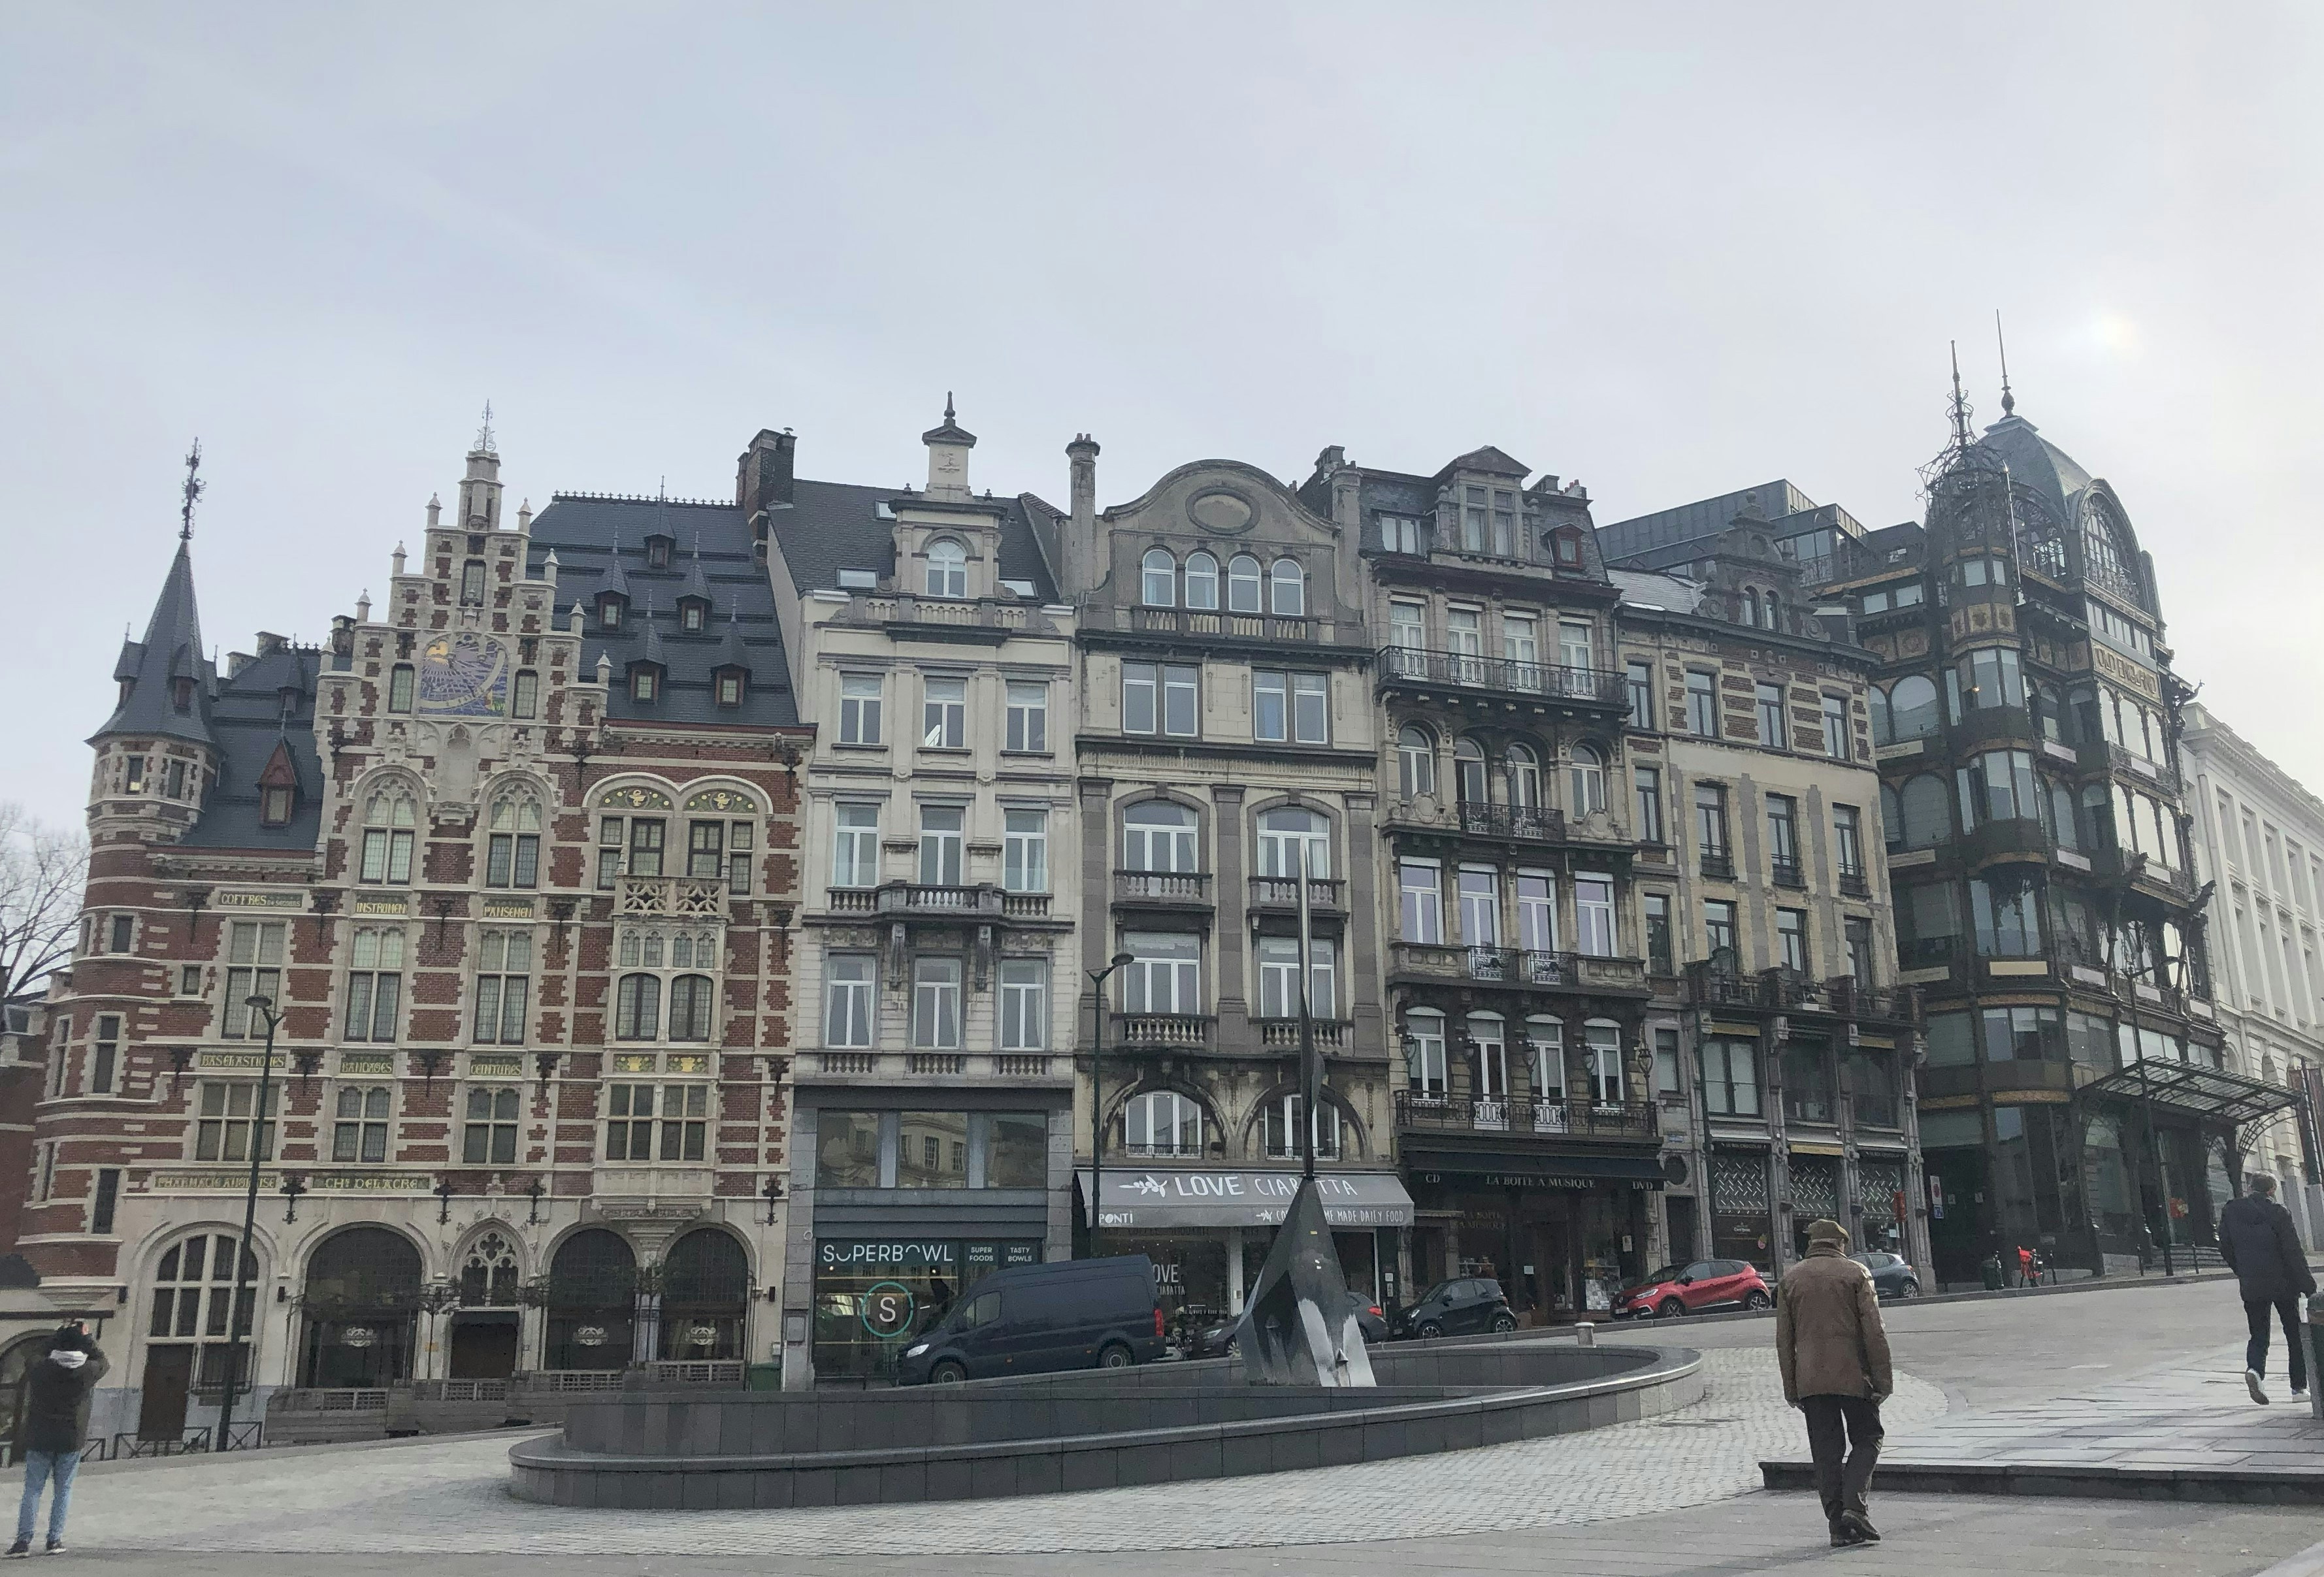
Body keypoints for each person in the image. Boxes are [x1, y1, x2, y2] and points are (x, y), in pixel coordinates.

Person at [1776, 1218, 1893, 1548]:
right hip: (1855, 1376)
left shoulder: (1790, 1279)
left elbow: (1784, 1341)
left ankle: (1837, 1526)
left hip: (1812, 1381)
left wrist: (1792, 1388)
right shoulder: (1857, 1274)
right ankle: (1855, 1507)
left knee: (1826, 1452)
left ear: (1812, 1244)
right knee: (1869, 1436)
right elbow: (1875, 1333)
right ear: (1839, 1244)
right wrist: (1883, 1381)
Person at [2218, 1171, 2316, 1405]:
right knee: (2294, 1334)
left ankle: (2255, 1371)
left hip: (2252, 1283)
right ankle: (2298, 1388)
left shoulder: (2231, 1211)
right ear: (2272, 1190)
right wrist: (2309, 1287)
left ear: (2250, 1187)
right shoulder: (2279, 1212)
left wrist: (2242, 1270)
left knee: (2258, 1334)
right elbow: (2293, 1252)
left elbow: (2225, 1246)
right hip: (2283, 1283)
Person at [10, 1325, 108, 1557]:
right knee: (63, 1489)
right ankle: (54, 1540)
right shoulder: (87, 1371)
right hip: (71, 1438)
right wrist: (86, 1339)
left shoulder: (42, 1368)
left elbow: (34, 1355)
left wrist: (57, 1337)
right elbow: (103, 1359)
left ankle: (23, 1542)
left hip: (40, 1435)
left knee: (33, 1490)